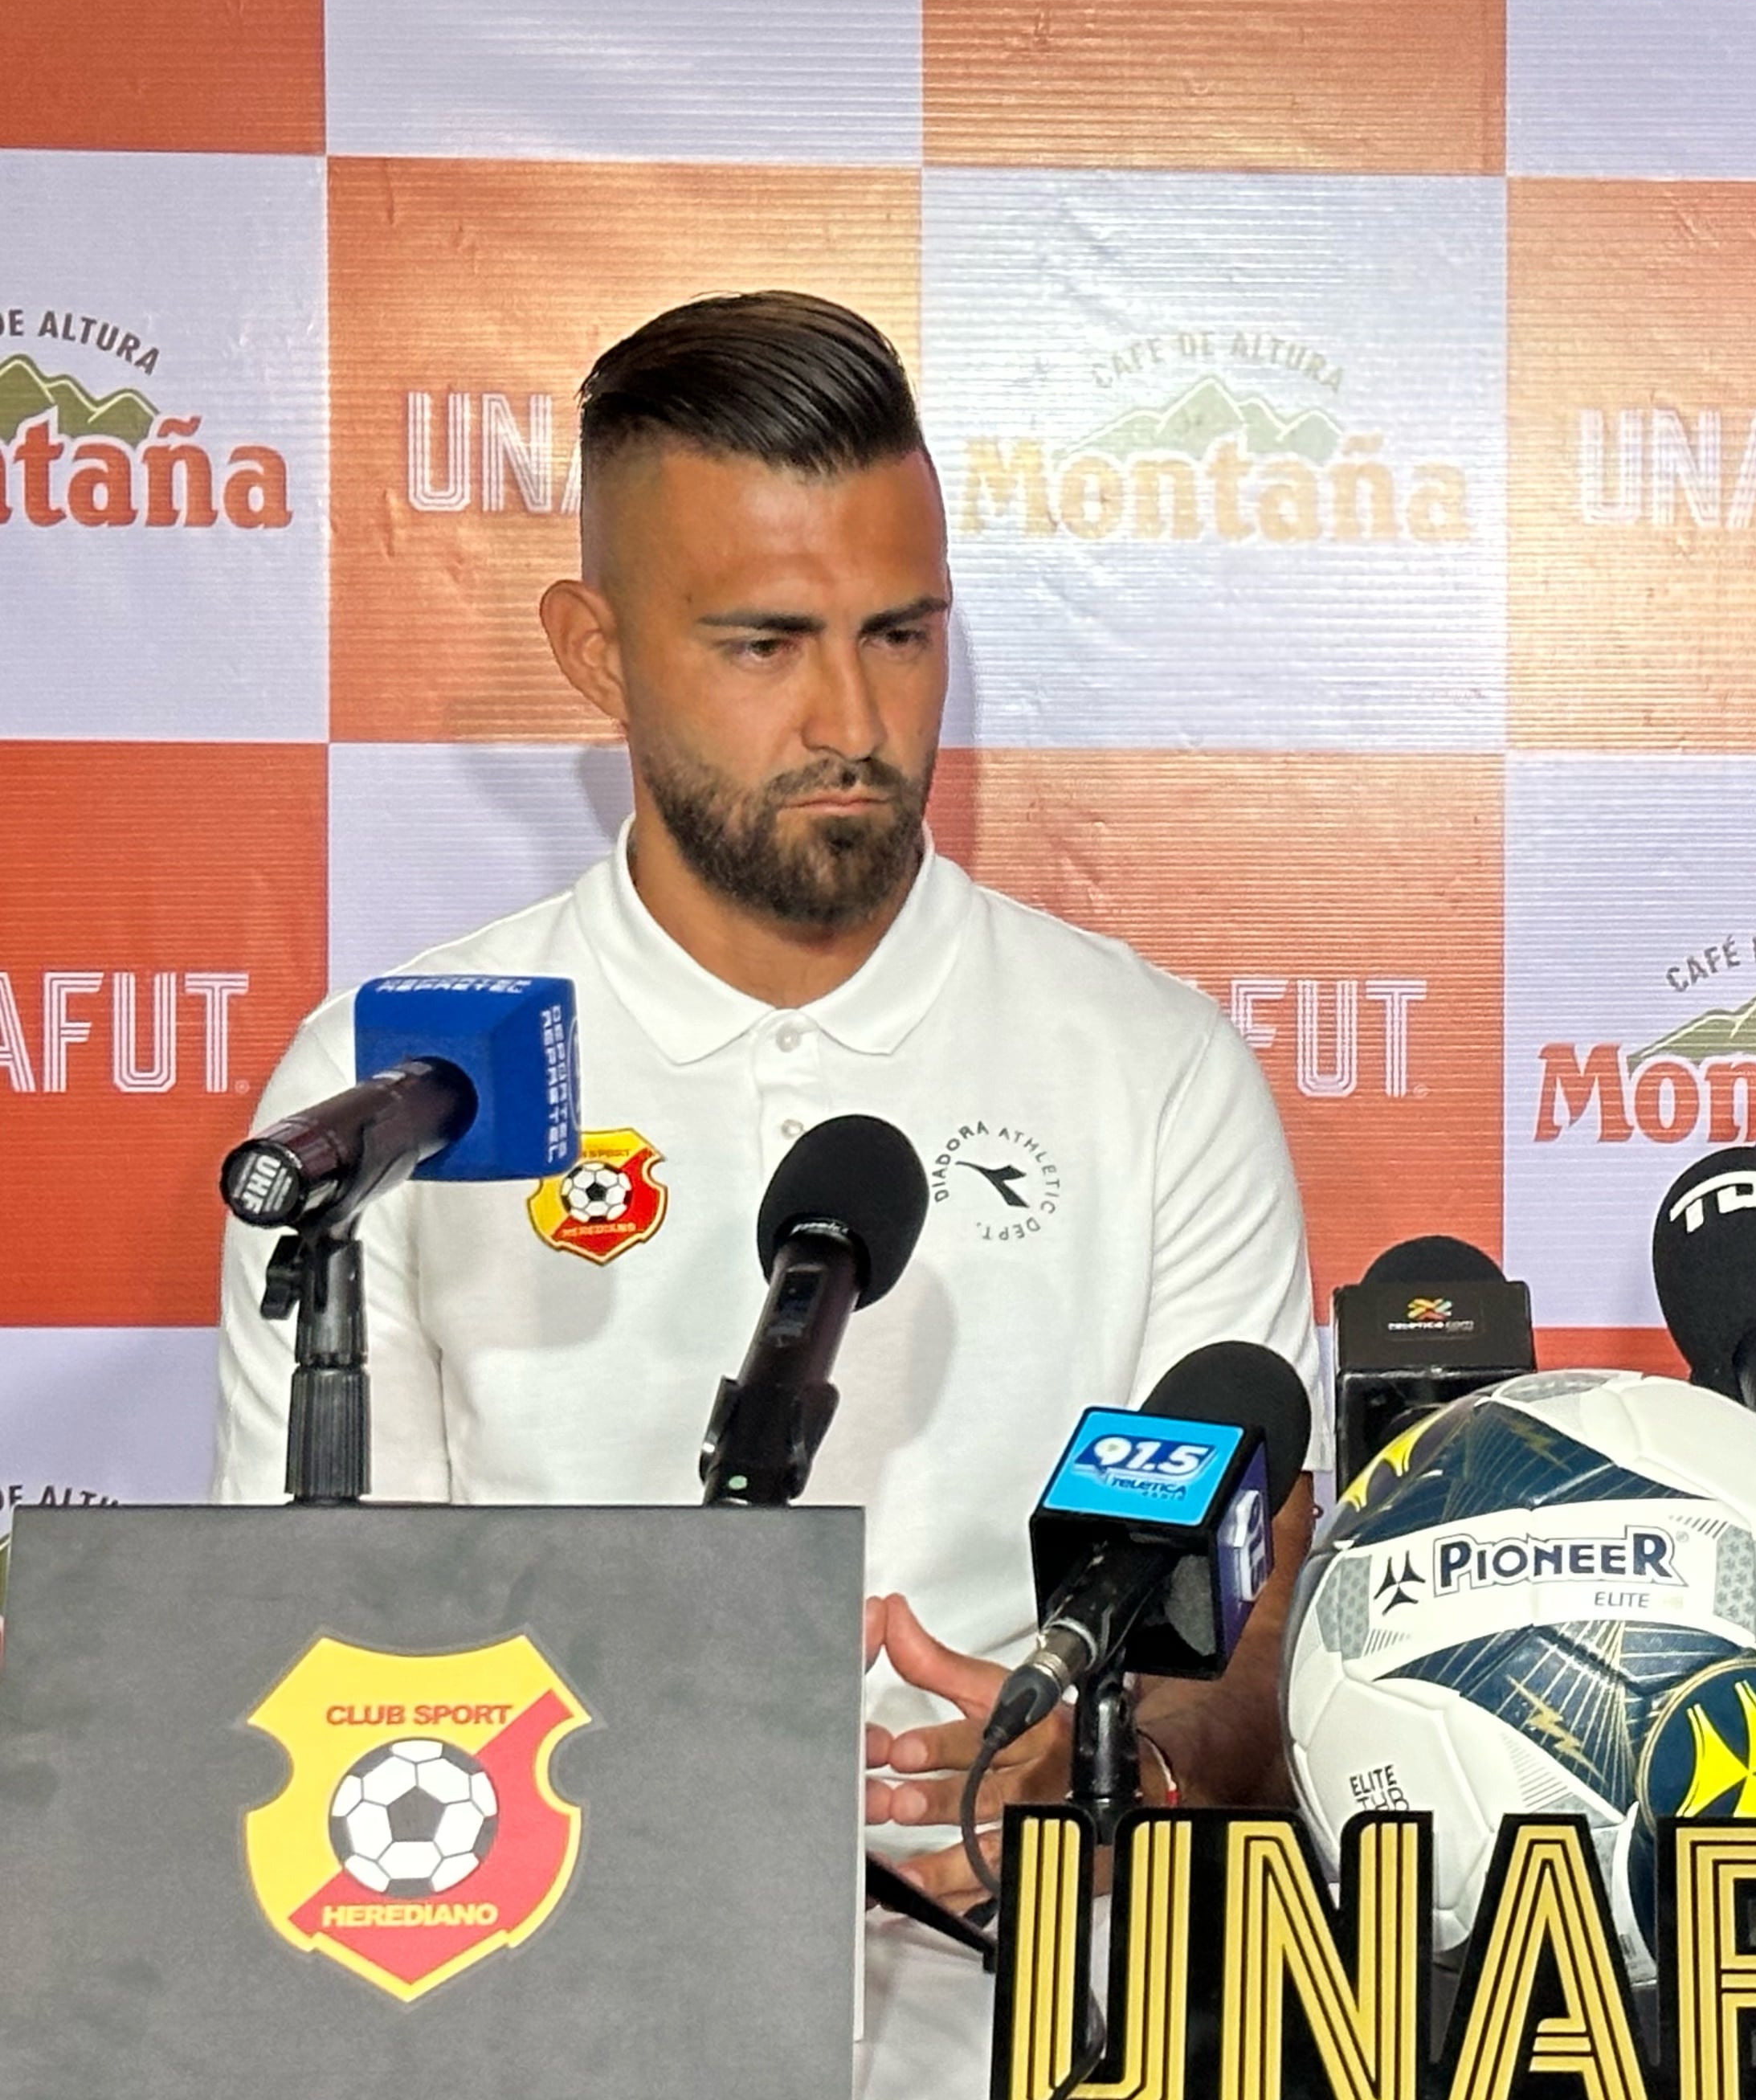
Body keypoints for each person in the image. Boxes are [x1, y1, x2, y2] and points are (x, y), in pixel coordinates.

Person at [213, 292, 1320, 1901]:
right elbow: (310, 1639)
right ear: (595, 653)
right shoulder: (396, 1093)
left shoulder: (1153, 1070)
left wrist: (1117, 1772)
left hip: (1030, 2008)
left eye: (901, 633)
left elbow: (1255, 1617)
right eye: (764, 646)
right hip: (527, 1975)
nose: (854, 727)